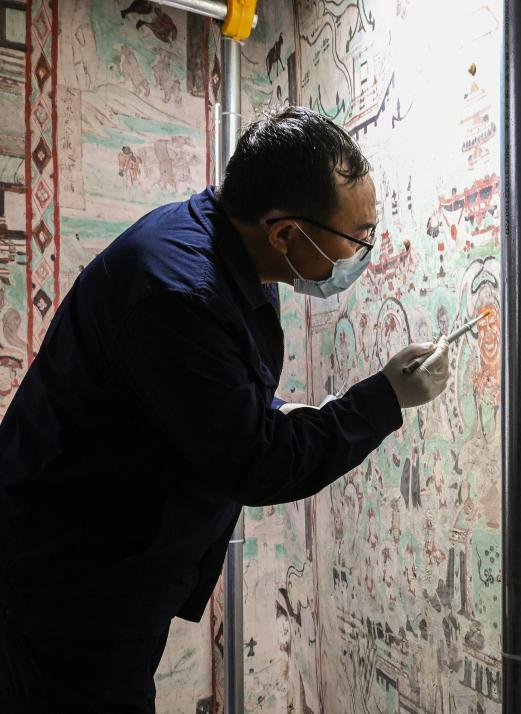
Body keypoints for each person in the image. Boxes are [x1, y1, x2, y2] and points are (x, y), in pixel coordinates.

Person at [0, 105, 449, 712]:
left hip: (101, 553)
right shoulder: (179, 292)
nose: (364, 251)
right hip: (71, 574)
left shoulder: (230, 248)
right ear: (285, 233)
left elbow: (213, 391)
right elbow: (256, 463)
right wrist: (384, 398)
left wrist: (281, 410)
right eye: (358, 236)